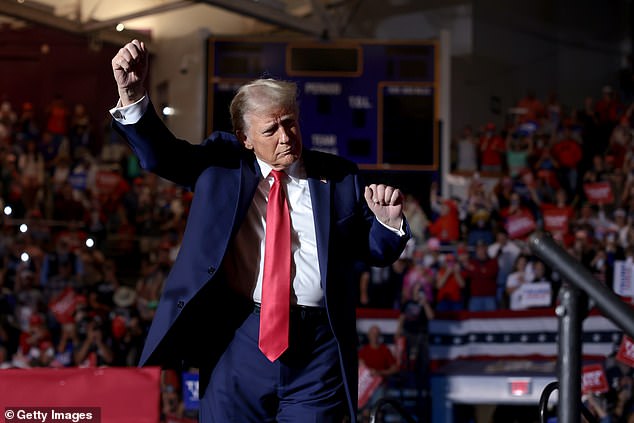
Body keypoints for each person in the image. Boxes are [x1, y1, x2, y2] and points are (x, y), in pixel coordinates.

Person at [110, 40, 410, 422]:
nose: (285, 136)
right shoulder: (222, 165)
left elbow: (375, 251)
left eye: (290, 123)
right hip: (237, 339)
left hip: (317, 352)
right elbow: (161, 156)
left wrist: (387, 221)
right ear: (245, 137)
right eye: (271, 129)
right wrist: (133, 95)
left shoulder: (340, 177)